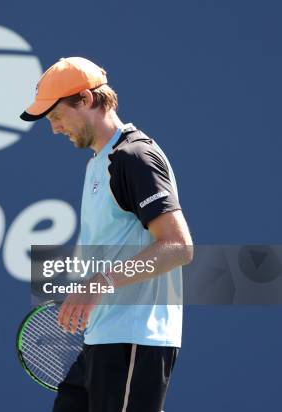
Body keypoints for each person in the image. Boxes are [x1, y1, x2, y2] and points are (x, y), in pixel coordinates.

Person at [20, 57, 193, 412]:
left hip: (134, 339)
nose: (54, 129)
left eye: (55, 117)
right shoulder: (98, 163)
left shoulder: (135, 157)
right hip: (101, 338)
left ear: (85, 99)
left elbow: (177, 246)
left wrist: (98, 283)